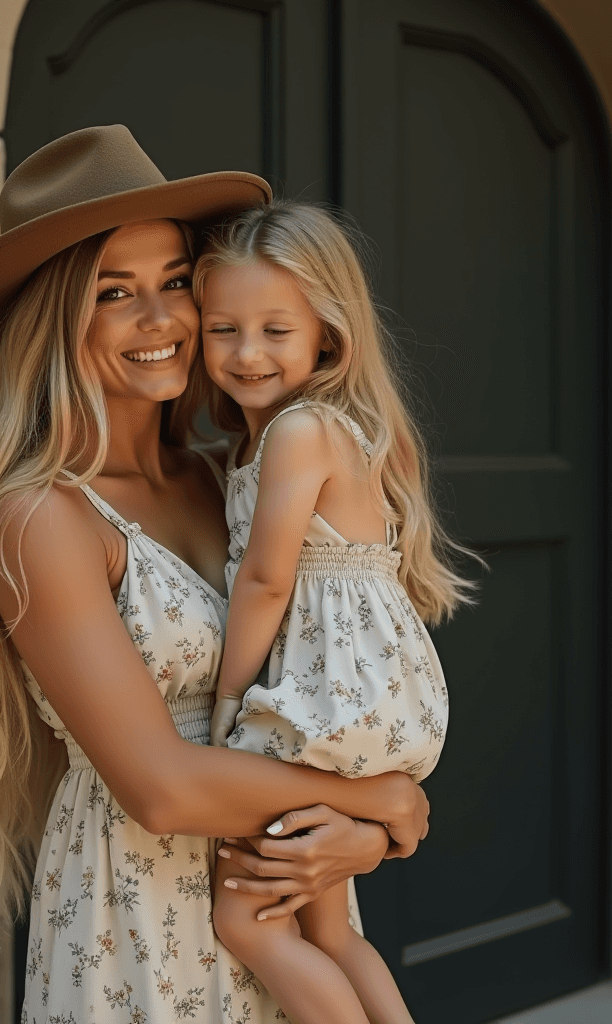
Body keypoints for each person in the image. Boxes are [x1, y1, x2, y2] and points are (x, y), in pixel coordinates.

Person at [0, 125, 431, 1024]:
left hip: (271, 878)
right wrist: (375, 803)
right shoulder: (41, 520)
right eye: (116, 293)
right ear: (57, 319)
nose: (162, 322)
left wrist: (356, 830)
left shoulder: (220, 477)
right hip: (140, 910)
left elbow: (314, 681)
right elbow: (159, 787)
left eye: (173, 284)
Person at [198, 201, 475, 1024]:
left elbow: (265, 584)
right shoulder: (261, 441)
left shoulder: (301, 431)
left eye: (275, 331)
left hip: (328, 701)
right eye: (224, 329)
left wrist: (227, 704)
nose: (247, 354)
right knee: (327, 926)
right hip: (349, 695)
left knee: (242, 915)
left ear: (328, 333)